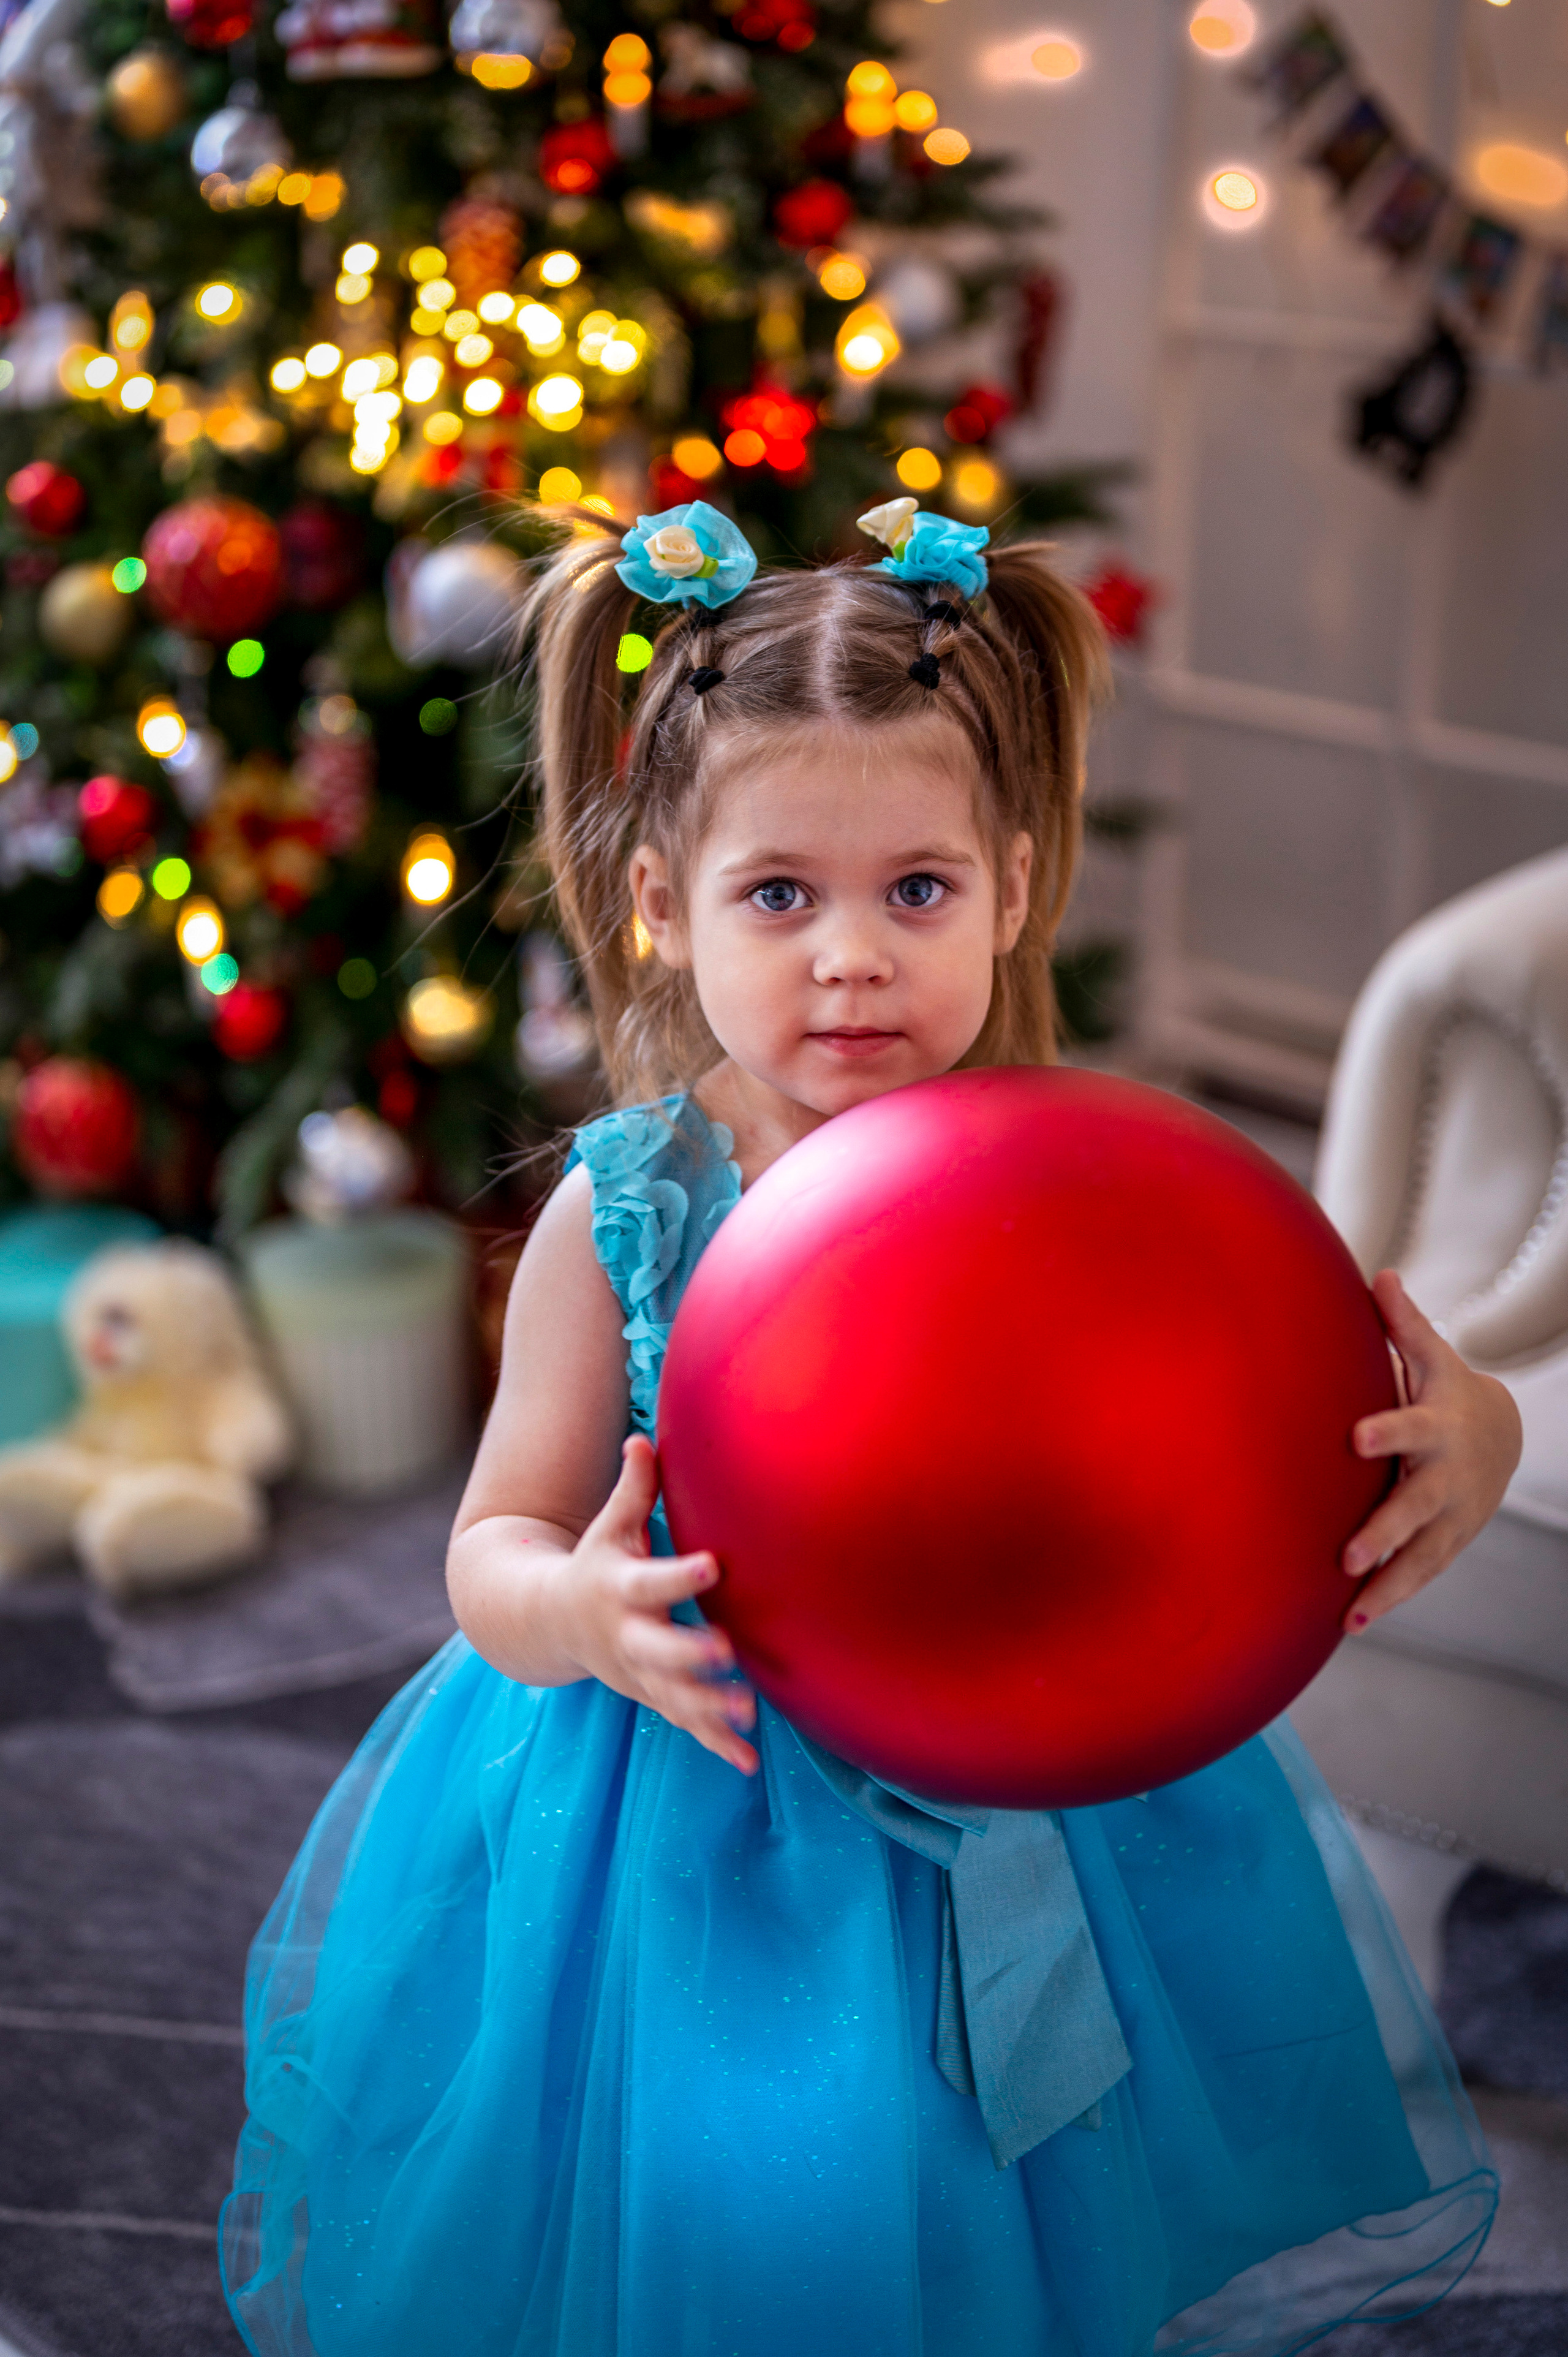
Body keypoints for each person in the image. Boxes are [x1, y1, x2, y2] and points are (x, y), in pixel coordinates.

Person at [222, 497, 1521, 2357]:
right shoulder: (628, 1210)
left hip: (1036, 1771)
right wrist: (574, 1611)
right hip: (706, 1805)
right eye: (780, 895)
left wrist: (1476, 1433)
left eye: (916, 891)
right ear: (665, 907)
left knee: (1005, 2184)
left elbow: (1318, 1395)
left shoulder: (1086, 1191)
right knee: (760, 2193)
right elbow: (488, 1543)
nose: (852, 957)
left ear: (1010, 886)